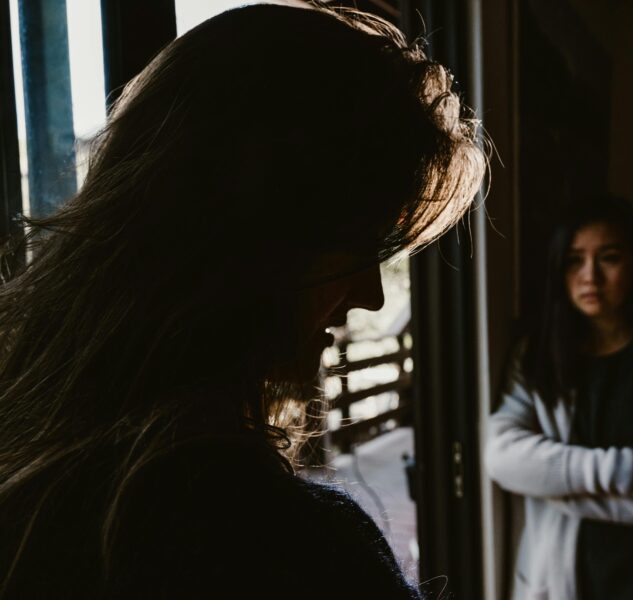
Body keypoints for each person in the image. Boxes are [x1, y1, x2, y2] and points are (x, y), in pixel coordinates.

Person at [0, 4, 485, 598]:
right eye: (357, 249)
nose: (372, 295)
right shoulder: (280, 548)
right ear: (258, 235)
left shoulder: (41, 472)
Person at [485, 196, 633, 600]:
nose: (589, 276)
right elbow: (503, 457)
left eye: (608, 258)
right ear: (558, 270)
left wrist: (555, 484)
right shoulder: (537, 357)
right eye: (574, 259)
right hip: (562, 578)